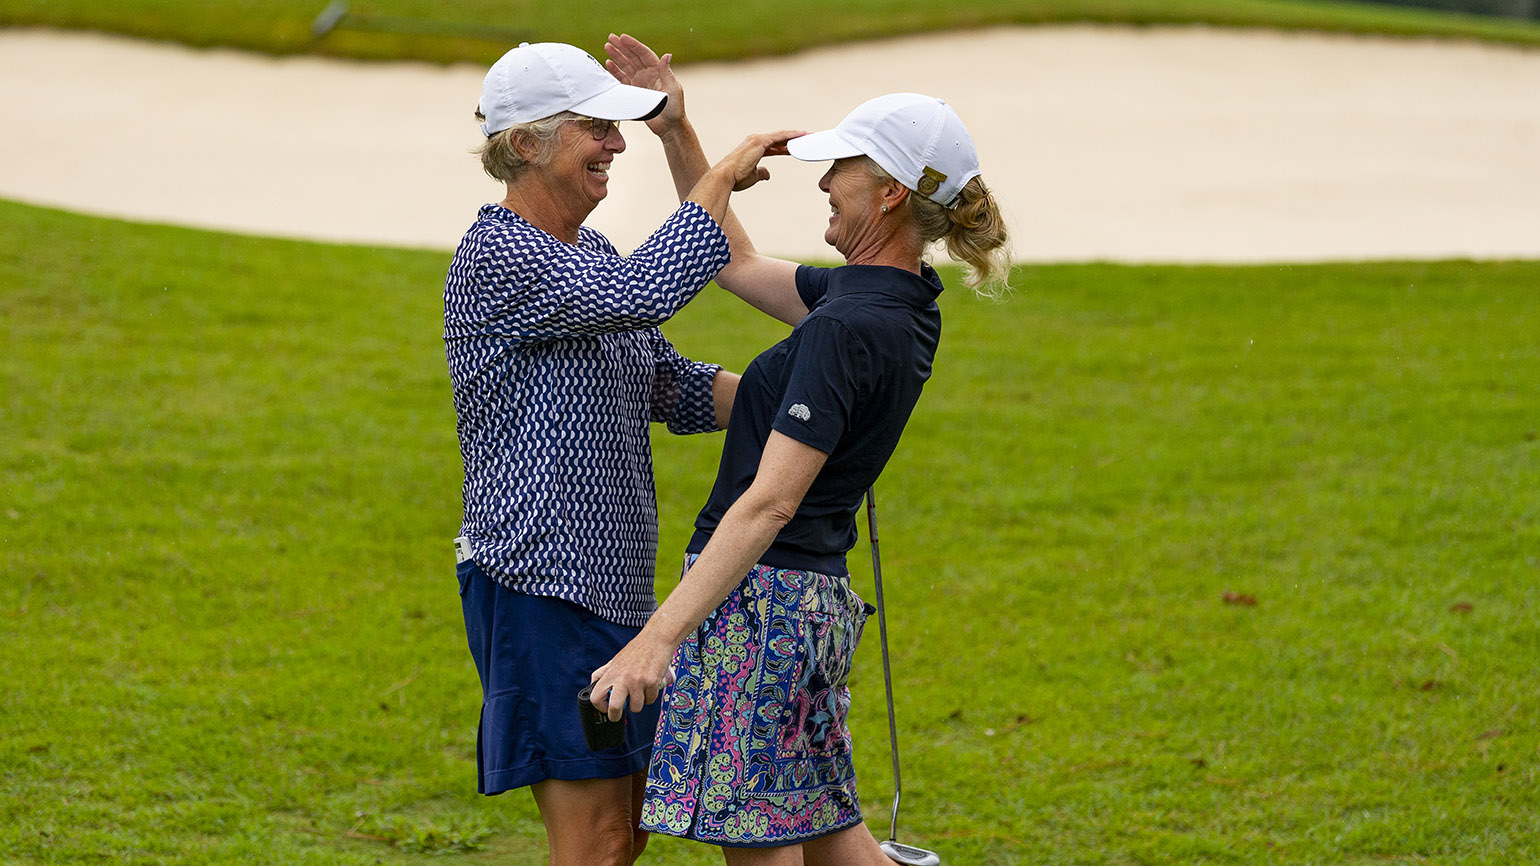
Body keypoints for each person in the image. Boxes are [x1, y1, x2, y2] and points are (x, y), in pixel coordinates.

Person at [591, 35, 1010, 866]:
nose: (822, 181)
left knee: (768, 851)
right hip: (809, 607)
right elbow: (735, 261)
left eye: (840, 170)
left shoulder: (849, 325)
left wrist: (661, 637)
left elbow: (770, 501)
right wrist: (680, 133)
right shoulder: (895, 300)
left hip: (761, 613)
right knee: (833, 846)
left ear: (888, 194)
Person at [443, 40, 799, 866]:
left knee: (627, 836)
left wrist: (809, 403)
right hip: (538, 586)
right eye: (594, 129)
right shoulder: (499, 255)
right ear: (526, 143)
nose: (614, 144)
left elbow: (666, 386)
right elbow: (645, 293)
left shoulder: (590, 253)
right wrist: (718, 174)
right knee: (599, 843)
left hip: (612, 591)